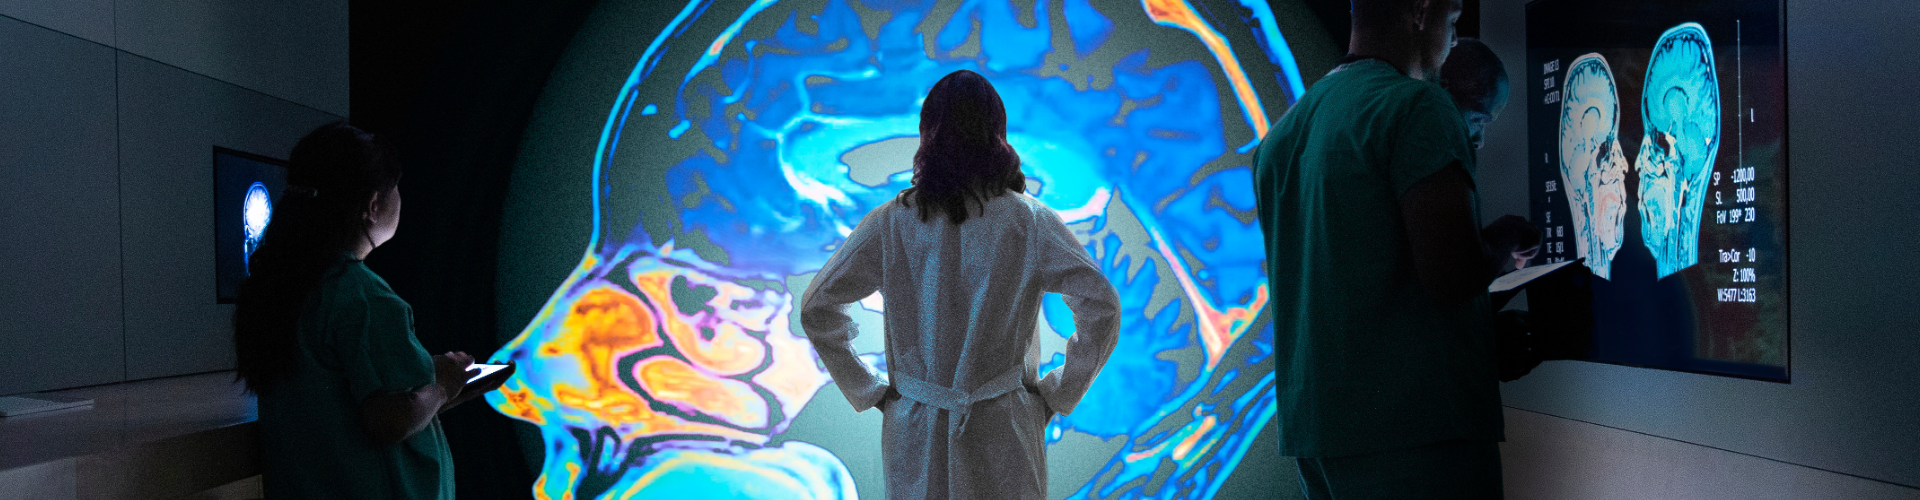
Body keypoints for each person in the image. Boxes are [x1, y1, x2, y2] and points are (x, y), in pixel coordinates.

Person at [1252, 0, 1539, 497]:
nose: (1452, 41)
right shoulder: (1416, 106)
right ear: (1421, 11)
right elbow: (1453, 274)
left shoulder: (1282, 138)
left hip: (1317, 436)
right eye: (1452, 22)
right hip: (1416, 436)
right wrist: (1507, 238)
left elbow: (1353, 282)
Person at [799, 69, 1122, 500]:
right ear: (997, 132)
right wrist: (1059, 393)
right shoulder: (1029, 221)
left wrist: (869, 389)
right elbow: (1102, 306)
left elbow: (816, 307)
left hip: (915, 426)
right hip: (1005, 424)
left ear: (928, 132)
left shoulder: (891, 223)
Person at [233, 122, 503, 499]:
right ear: (373, 206)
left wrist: (445, 385)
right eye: (396, 187)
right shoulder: (363, 297)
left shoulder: (278, 289)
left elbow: (341, 409)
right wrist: (442, 385)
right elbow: (390, 419)